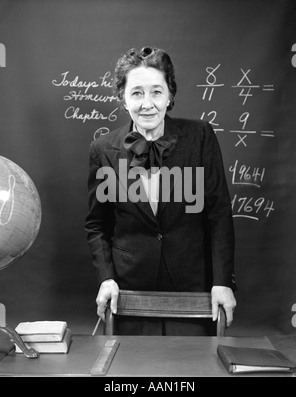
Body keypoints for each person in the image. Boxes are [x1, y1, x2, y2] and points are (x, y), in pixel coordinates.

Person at [85, 46, 236, 335]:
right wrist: (106, 278)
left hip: (194, 291)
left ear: (170, 95)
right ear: (123, 98)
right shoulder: (103, 150)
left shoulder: (200, 137)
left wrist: (222, 282)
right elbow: (97, 224)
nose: (147, 103)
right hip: (129, 296)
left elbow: (218, 215)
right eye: (137, 93)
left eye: (156, 91)